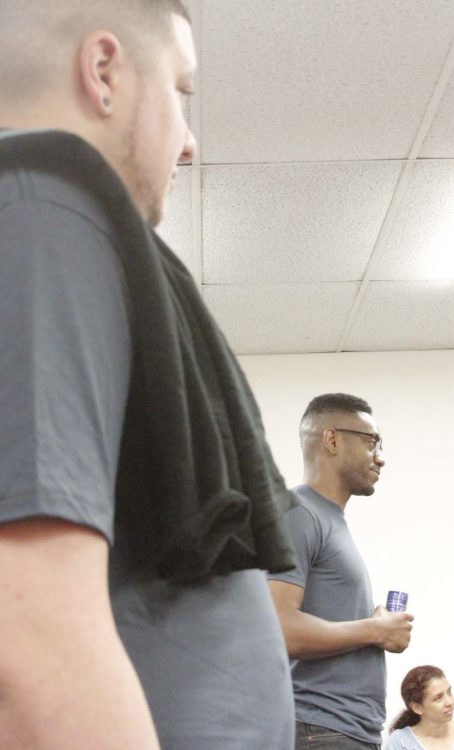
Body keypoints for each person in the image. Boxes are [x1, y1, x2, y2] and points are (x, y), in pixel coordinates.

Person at [0, 2, 298, 749]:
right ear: (104, 72)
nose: (190, 143)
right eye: (181, 92)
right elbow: (24, 639)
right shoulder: (42, 208)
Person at [268, 393, 415, 749]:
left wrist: (376, 629)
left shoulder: (328, 521)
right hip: (319, 730)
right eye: (370, 443)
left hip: (343, 732)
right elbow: (277, 627)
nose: (380, 457)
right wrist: (374, 631)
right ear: (332, 439)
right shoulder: (298, 513)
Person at [386, 666, 454, 750]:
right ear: (417, 707)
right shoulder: (400, 742)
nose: (450, 702)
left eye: (449, 692)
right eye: (438, 698)